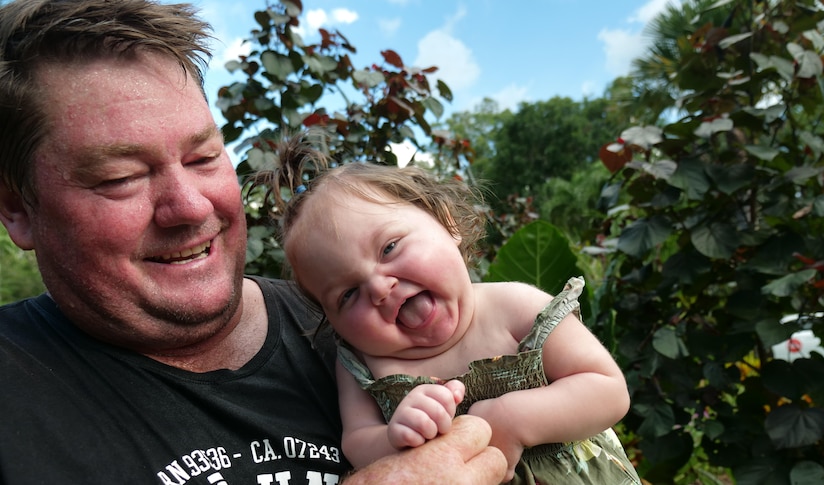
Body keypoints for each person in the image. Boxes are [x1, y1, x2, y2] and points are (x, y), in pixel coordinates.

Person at [0, 1, 507, 483]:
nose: (192, 206)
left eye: (203, 158)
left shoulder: (356, 328)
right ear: (18, 209)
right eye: (120, 177)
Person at [258, 138, 642, 484]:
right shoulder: (362, 364)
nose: (378, 287)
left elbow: (608, 389)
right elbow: (357, 442)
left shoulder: (516, 306)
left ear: (448, 223)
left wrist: (512, 418)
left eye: (389, 247)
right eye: (347, 295)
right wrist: (393, 437)